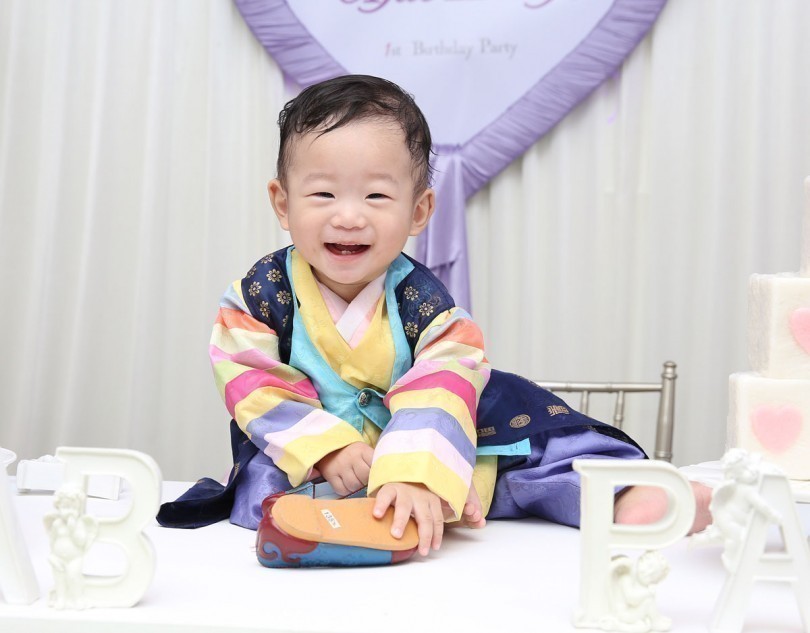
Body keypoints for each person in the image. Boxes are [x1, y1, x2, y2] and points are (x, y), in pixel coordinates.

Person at [157, 75, 711, 555]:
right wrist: (328, 447)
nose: (348, 217)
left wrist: (413, 469)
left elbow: (444, 378)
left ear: (419, 209)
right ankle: (366, 513)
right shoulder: (259, 296)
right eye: (322, 193)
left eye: (376, 196)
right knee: (271, 493)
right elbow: (251, 378)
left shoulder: (425, 305)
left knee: (526, 460)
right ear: (283, 202)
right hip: (309, 454)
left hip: (424, 445)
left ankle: (624, 497)